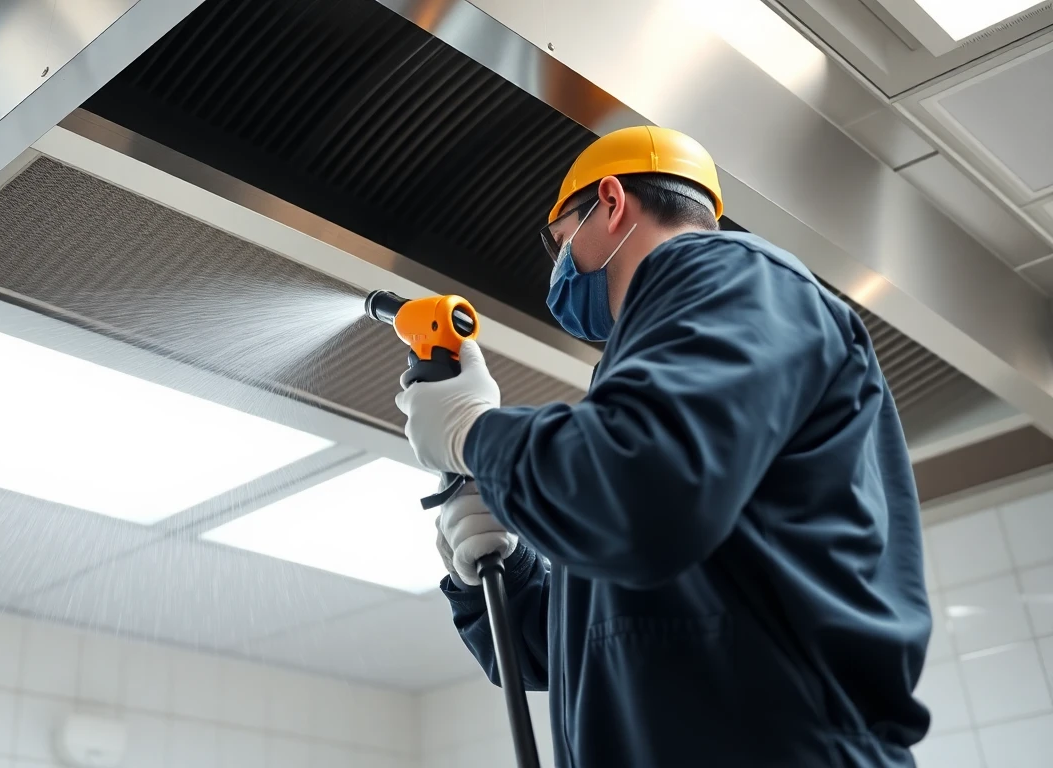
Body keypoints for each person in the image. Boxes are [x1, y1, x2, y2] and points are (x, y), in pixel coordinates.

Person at [396, 125, 931, 766]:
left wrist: (474, 432)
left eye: (561, 240)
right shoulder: (651, 386)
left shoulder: (727, 273)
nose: (559, 268)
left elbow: (643, 494)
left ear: (613, 202)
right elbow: (580, 648)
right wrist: (498, 568)